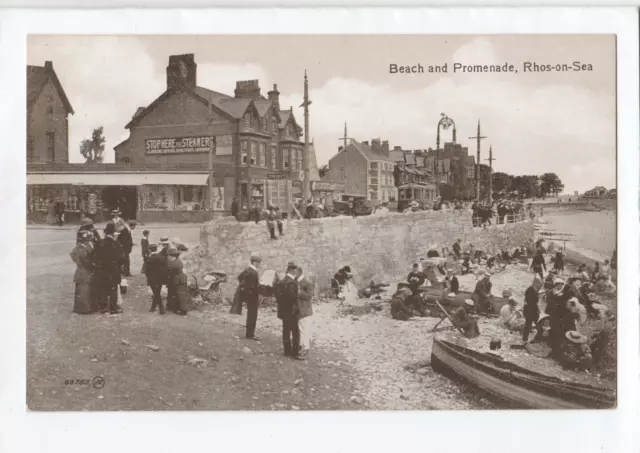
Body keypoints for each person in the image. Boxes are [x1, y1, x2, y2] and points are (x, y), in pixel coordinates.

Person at [93, 222, 125, 315]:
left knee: (103, 289)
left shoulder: (100, 243)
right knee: (113, 290)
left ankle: (103, 307)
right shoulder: (116, 244)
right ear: (113, 233)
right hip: (113, 270)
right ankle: (113, 308)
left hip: (102, 271)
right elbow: (122, 258)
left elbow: (94, 257)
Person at [276, 262, 302, 359]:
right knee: (295, 332)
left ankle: (287, 351)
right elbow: (292, 297)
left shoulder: (281, 282)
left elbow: (278, 296)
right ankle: (295, 353)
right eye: (295, 270)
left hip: (284, 310)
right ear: (292, 270)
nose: (296, 272)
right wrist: (298, 294)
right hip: (292, 311)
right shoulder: (291, 282)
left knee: (286, 330)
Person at [70, 231, 98, 314]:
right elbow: (86, 260)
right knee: (84, 291)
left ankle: (81, 308)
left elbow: (72, 255)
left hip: (80, 270)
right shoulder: (83, 248)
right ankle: (85, 308)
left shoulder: (78, 247)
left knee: (81, 290)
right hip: (85, 271)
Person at [237, 255, 262, 340]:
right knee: (252, 315)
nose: (259, 265)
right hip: (252, 296)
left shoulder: (247, 270)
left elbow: (240, 277)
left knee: (251, 314)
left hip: (250, 296)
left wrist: (245, 291)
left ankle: (250, 333)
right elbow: (250, 284)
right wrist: (251, 290)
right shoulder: (252, 272)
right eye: (259, 263)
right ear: (254, 262)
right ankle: (250, 334)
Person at [166, 246, 190, 316]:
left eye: (169, 255)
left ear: (172, 256)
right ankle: (175, 307)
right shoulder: (176, 261)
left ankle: (183, 310)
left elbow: (169, 270)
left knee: (180, 295)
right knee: (177, 294)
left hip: (178, 280)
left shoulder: (174, 263)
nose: (168, 257)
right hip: (179, 279)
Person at [296, 266, 314, 356]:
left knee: (304, 329)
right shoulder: (296, 281)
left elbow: (309, 296)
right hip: (298, 309)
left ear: (299, 272)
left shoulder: (307, 283)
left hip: (305, 309)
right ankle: (300, 345)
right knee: (299, 328)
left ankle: (305, 348)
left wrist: (299, 292)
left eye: (295, 272)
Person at [144, 244, 167, 315]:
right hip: (160, 278)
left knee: (156, 294)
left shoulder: (149, 259)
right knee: (156, 292)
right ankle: (153, 307)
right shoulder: (161, 258)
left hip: (152, 279)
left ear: (150, 250)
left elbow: (146, 271)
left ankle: (161, 308)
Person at [522, 276, 543, 342]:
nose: (540, 287)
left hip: (529, 310)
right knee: (538, 325)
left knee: (528, 325)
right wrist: (538, 311)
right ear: (536, 284)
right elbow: (533, 303)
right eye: (540, 285)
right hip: (531, 311)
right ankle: (536, 339)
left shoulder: (530, 289)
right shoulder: (532, 291)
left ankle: (525, 338)